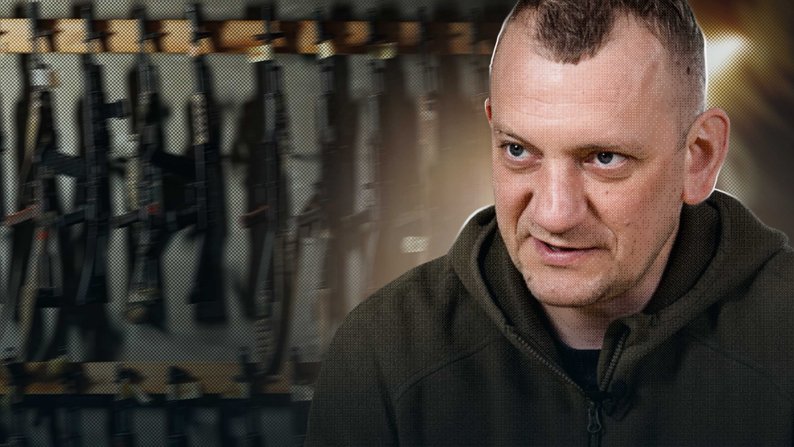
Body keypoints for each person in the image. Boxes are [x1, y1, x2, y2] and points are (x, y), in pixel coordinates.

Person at [305, 0, 794, 445]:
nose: (554, 215)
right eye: (519, 151)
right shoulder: (384, 353)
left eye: (605, 158)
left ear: (699, 157)